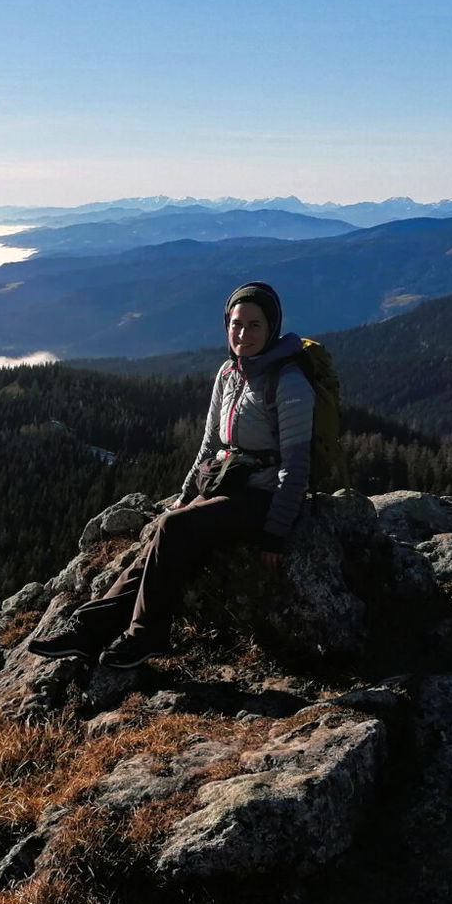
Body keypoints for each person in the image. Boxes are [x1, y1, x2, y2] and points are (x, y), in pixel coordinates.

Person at [30, 280, 315, 668]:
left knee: (173, 529)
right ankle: (90, 630)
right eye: (236, 324)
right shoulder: (230, 373)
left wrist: (276, 533)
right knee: (164, 532)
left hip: (263, 496)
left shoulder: (289, 382)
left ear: (272, 329)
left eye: (254, 326)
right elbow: (209, 444)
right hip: (226, 482)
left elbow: (297, 465)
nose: (242, 334)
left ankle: (146, 636)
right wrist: (184, 495)